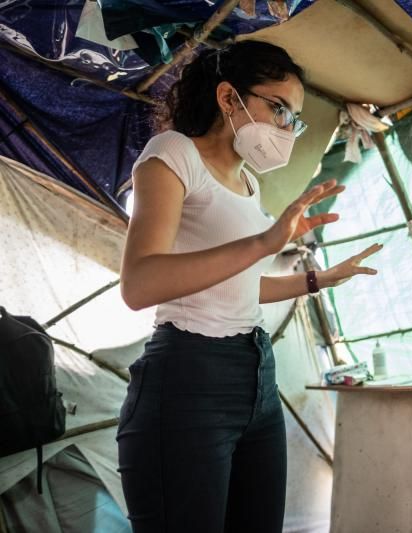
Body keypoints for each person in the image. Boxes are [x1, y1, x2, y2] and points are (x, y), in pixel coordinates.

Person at [117, 41, 381, 533]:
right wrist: (264, 241)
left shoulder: (248, 182)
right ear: (228, 97)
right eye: (278, 108)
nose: (286, 129)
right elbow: (139, 284)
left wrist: (317, 279)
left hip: (256, 377)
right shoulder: (174, 154)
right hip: (188, 380)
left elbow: (236, 285)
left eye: (293, 119)